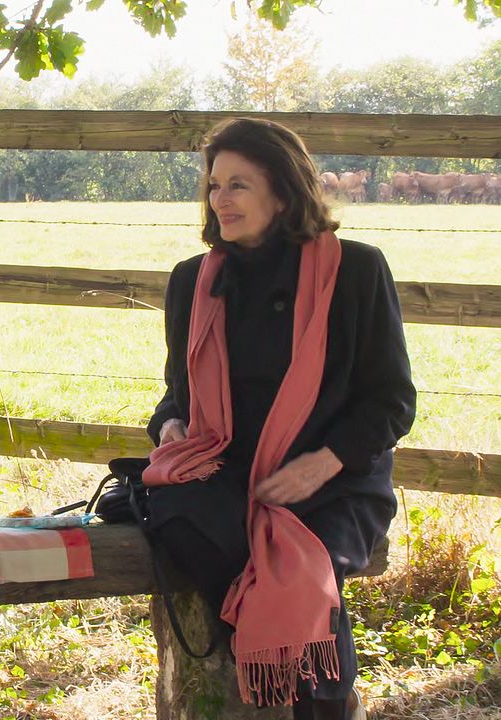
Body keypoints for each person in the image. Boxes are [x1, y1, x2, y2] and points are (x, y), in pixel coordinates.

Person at [142, 118, 415, 720]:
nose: (220, 199)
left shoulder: (356, 271)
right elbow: (175, 396)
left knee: (302, 572)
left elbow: (392, 401)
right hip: (230, 474)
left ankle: (314, 703)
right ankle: (264, 678)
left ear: (284, 193)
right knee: (185, 527)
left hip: (334, 479)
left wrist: (321, 464)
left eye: (239, 184)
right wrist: (171, 429)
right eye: (214, 185)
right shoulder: (194, 280)